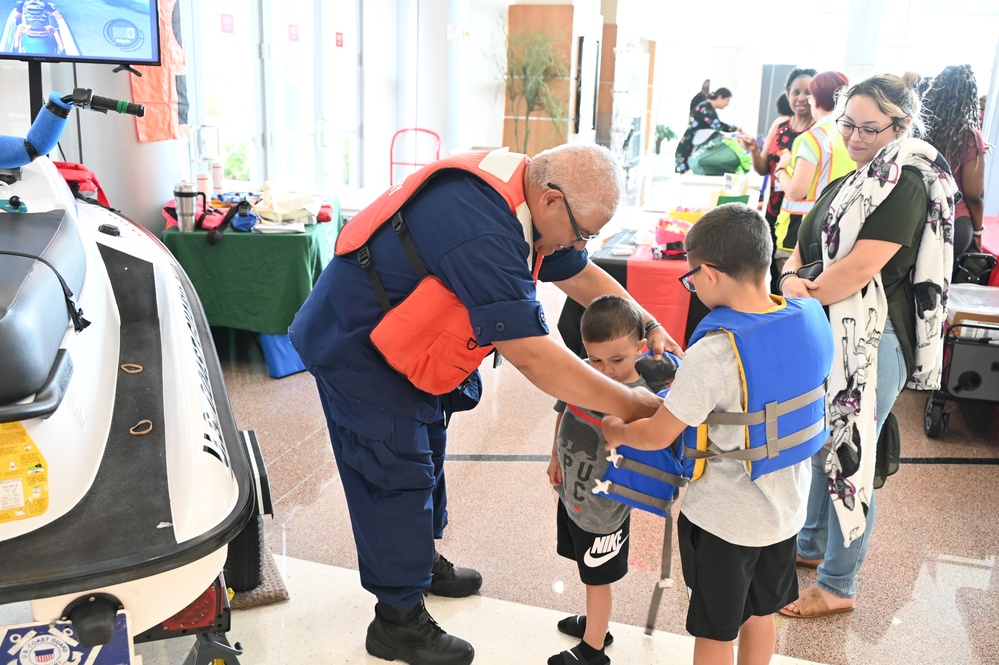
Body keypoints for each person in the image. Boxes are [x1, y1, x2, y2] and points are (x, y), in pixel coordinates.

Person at [288, 144, 681, 665]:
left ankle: (419, 563)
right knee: (394, 470)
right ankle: (397, 620)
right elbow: (533, 356)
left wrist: (648, 323)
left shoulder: (529, 196)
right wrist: (631, 402)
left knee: (426, 451)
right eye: (584, 231)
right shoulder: (482, 226)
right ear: (550, 200)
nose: (583, 243)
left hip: (409, 342)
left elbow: (577, 272)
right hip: (358, 346)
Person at [602, 203, 834, 665]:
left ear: (708, 273)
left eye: (691, 278)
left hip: (725, 523)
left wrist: (617, 430)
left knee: (714, 630)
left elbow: (658, 434)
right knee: (762, 613)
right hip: (785, 513)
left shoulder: (716, 350)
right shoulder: (809, 316)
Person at [777, 72, 956, 618]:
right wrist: (793, 279)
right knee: (821, 443)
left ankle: (838, 584)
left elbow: (856, 269)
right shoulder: (855, 178)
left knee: (848, 453)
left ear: (901, 126)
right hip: (829, 325)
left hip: (875, 340)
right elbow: (800, 245)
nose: (854, 137)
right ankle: (809, 546)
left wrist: (796, 288)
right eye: (847, 124)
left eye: (869, 128)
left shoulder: (902, 179)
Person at [546, 295, 666, 665]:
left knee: (598, 580)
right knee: (586, 571)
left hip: (606, 507)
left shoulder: (641, 397)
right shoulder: (583, 373)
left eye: (617, 360)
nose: (606, 371)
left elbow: (654, 445)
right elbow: (564, 410)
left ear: (639, 348)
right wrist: (554, 455)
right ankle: (594, 624)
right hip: (574, 493)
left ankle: (593, 648)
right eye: (596, 358)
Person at [771, 71, 856, 276]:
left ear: (815, 99)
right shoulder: (855, 135)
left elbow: (796, 191)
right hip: (839, 233)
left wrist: (782, 169)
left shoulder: (811, 138)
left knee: (791, 299)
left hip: (801, 235)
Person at [738, 68, 816, 286]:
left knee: (792, 279)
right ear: (788, 94)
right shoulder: (780, 125)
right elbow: (763, 168)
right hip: (773, 213)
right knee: (770, 273)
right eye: (795, 92)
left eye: (808, 92)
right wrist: (754, 149)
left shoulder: (817, 132)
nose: (801, 98)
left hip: (798, 219)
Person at [922, 65, 988, 256]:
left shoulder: (920, 129)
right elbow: (974, 195)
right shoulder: (968, 136)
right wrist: (978, 231)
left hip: (915, 214)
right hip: (952, 222)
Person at [675, 88, 737, 174]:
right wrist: (736, 129)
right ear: (720, 97)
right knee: (686, 178)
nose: (728, 104)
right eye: (727, 100)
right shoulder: (705, 108)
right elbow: (717, 125)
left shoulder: (707, 107)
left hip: (692, 146)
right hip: (689, 148)